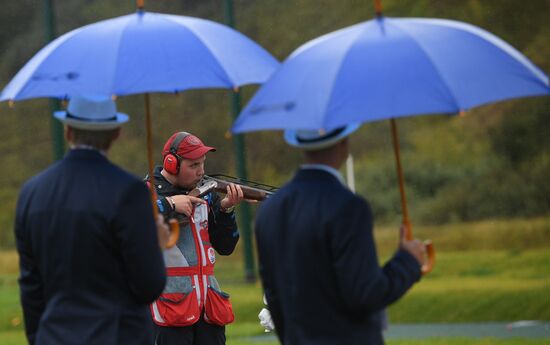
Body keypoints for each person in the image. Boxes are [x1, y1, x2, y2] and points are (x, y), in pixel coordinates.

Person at [14, 94, 169, 345]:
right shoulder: (129, 191)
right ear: (117, 132)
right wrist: (158, 246)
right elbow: (148, 285)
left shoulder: (32, 192)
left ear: (67, 132)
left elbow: (31, 287)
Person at [254, 125, 426, 345]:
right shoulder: (348, 206)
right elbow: (365, 293)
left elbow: (274, 295)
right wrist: (408, 262)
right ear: (344, 142)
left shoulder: (270, 209)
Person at [147, 131, 245, 345]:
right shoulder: (148, 191)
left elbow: (226, 246)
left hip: (208, 308)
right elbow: (129, 218)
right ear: (172, 164)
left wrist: (226, 209)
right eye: (193, 165)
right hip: (169, 309)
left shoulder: (206, 192)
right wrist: (171, 204)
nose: (201, 171)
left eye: (203, 163)